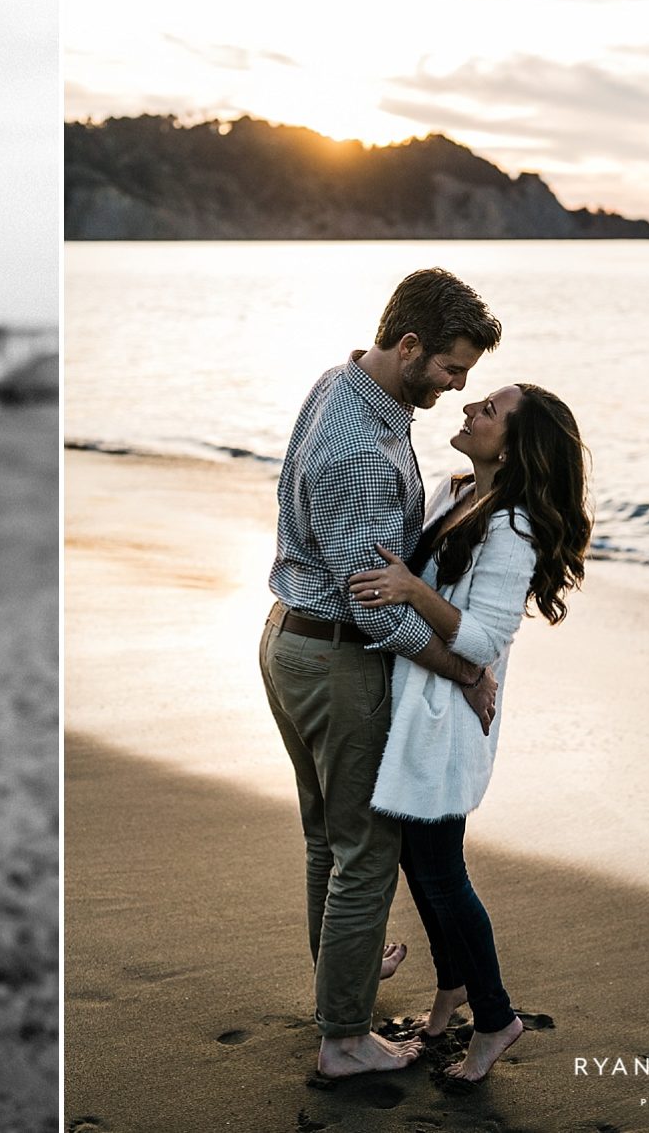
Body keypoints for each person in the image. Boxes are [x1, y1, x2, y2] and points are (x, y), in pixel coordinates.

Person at [259, 268, 503, 1078]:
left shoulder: (346, 382)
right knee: (366, 849)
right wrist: (462, 671)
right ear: (408, 347)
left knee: (326, 837)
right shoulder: (363, 449)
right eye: (451, 368)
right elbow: (378, 611)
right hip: (332, 655)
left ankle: (343, 979)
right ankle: (345, 1039)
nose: (459, 386)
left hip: (292, 639)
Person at [348, 383, 591, 1081]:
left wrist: (411, 591)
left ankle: (495, 1019)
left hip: (445, 724)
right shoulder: (460, 493)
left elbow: (483, 638)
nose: (468, 411)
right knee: (418, 862)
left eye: (487, 410)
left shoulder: (512, 526)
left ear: (513, 444)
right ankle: (451, 986)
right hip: (425, 707)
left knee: (442, 872)